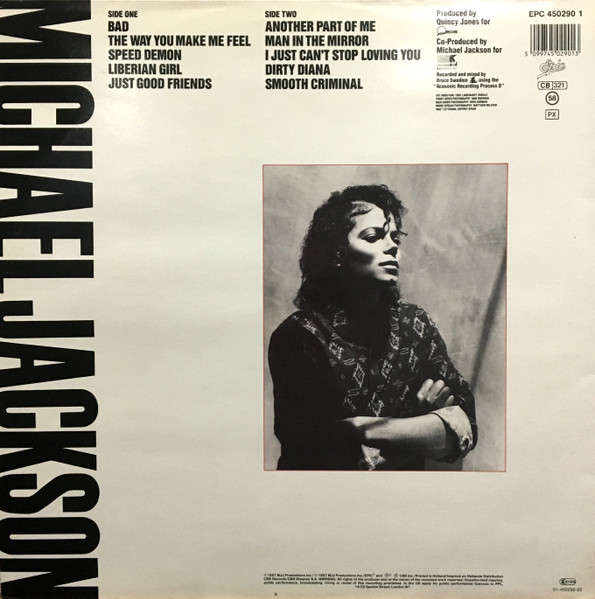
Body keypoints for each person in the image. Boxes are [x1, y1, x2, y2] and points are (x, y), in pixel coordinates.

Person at [268, 184, 477, 470]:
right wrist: (417, 425)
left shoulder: (415, 324)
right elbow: (316, 452)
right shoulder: (299, 336)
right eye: (373, 236)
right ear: (336, 253)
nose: (392, 246)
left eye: (394, 238)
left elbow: (465, 426)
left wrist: (361, 428)